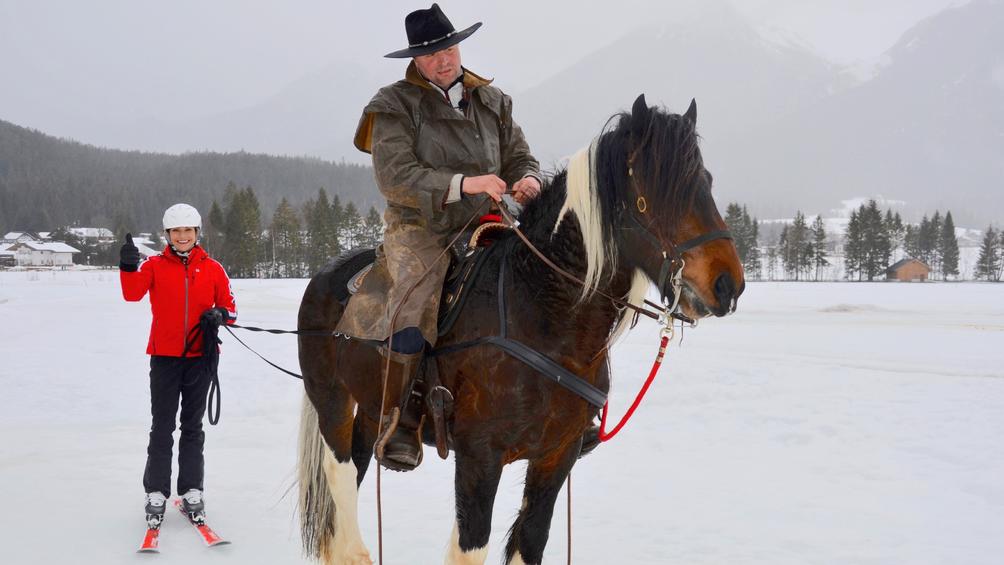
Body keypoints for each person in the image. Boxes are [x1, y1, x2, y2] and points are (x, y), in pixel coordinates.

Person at [342, 3, 542, 471]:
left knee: (544, 282)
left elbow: (518, 156)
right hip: (421, 228)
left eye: (449, 48)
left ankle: (555, 401)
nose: (444, 59)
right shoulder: (392, 105)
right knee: (414, 299)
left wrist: (527, 179)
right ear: (415, 59)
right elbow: (395, 176)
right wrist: (465, 184)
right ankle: (401, 419)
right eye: (432, 54)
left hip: (490, 221)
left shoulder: (493, 101)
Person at [119, 203, 237, 526]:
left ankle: (190, 491)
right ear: (167, 235)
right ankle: (156, 492)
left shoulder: (213, 269)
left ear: (197, 233)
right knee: (162, 427)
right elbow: (132, 294)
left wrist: (219, 315)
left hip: (201, 359)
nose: (182, 236)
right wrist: (128, 268)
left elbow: (231, 309)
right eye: (176, 231)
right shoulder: (154, 266)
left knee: (193, 428)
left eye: (188, 231)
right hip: (165, 359)